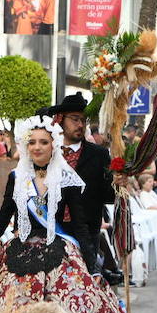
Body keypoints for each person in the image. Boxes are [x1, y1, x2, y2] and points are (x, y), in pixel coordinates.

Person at [0, 116, 138, 313]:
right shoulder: (17, 178)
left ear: (54, 146)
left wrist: (92, 267)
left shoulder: (64, 177)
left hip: (59, 249)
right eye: (32, 143)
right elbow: (0, 222)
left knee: (78, 302)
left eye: (43, 142)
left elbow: (80, 225)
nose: (37, 147)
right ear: (25, 146)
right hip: (19, 251)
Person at [44, 93, 120, 285]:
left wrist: (119, 184)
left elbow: (108, 196)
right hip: (52, 229)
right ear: (60, 120)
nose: (80, 125)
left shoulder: (99, 154)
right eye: (75, 119)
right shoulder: (47, 151)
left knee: (84, 285)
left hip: (86, 231)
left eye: (83, 120)